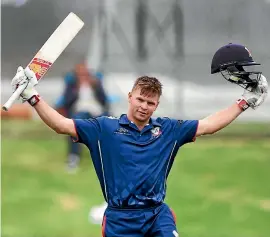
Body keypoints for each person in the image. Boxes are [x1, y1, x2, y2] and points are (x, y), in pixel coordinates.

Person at [10, 43, 268, 237]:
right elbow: (61, 125)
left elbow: (209, 125)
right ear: (130, 96)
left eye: (151, 103)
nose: (144, 106)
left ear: (156, 105)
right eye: (141, 99)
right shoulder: (103, 128)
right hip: (120, 220)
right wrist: (33, 96)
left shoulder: (168, 129)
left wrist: (244, 103)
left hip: (157, 215)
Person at [55, 63, 110, 171]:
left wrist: (95, 87)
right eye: (80, 72)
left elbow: (104, 101)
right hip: (80, 110)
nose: (83, 74)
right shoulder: (72, 84)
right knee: (75, 126)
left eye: (85, 72)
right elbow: (66, 101)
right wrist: (78, 89)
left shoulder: (96, 83)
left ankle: (107, 157)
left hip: (96, 110)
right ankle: (73, 157)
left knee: (109, 124)